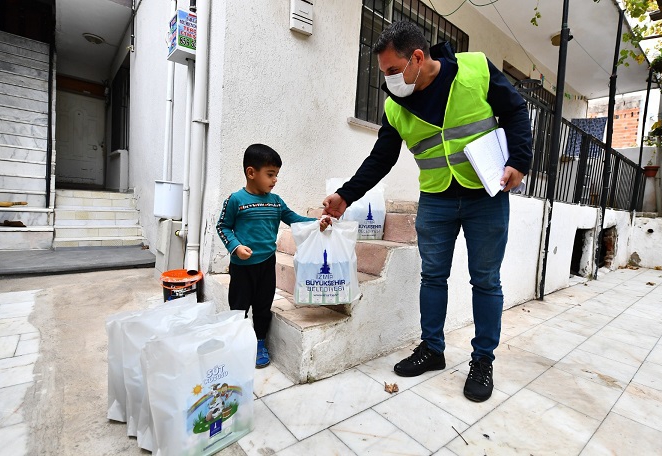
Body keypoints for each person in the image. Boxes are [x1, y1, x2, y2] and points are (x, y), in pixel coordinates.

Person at [322, 21, 532, 402]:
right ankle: (432, 349)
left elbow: (516, 112)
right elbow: (381, 158)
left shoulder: (476, 69)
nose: (387, 80)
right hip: (436, 199)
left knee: (486, 280)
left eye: (391, 70)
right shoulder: (395, 105)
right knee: (432, 277)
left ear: (417, 58)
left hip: (486, 195)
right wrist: (346, 195)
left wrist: (519, 161)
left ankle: (483, 361)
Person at [217, 143, 330, 368]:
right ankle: (236, 342)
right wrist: (235, 246)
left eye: (276, 175)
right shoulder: (235, 200)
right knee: (238, 307)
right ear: (251, 173)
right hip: (242, 266)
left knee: (262, 306)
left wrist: (317, 223)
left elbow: (294, 218)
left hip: (267, 263)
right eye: (270, 174)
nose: (275, 179)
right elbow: (223, 226)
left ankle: (260, 342)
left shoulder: (276, 201)